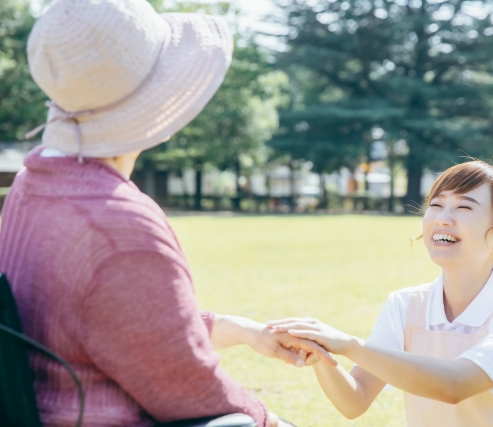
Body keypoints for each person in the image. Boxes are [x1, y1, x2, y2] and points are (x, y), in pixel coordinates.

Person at [0, 1, 334, 426]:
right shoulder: (118, 224)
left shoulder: (30, 187)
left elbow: (124, 325)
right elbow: (188, 389)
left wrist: (243, 331)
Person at [268, 161, 493, 427]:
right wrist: (319, 353)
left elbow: (455, 384)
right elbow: (354, 401)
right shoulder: (406, 305)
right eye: (436, 205)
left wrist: (347, 344)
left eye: (464, 207)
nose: (442, 218)